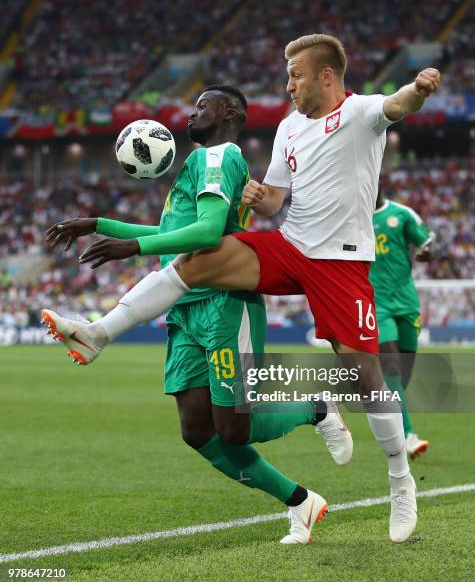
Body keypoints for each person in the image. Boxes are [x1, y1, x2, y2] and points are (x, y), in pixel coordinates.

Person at [43, 34, 442, 543]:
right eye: (286, 74)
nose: (288, 84)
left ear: (326, 75)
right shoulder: (289, 128)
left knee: (364, 377)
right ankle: (100, 332)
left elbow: (398, 105)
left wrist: (419, 88)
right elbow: (275, 200)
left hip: (341, 264)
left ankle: (400, 480)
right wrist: (262, 196)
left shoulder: (362, 111)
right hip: (289, 246)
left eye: (295, 74)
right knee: (201, 259)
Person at [44, 84, 352, 545]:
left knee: (235, 428)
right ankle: (301, 502)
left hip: (225, 304)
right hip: (184, 309)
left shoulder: (220, 156)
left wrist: (132, 247)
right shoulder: (198, 163)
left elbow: (207, 235)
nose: (190, 114)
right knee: (198, 431)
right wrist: (101, 223)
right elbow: (176, 232)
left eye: (202, 106)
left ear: (229, 113)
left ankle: (317, 408)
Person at [371, 189, 435, 459]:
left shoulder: (401, 214)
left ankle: (385, 406)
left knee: (401, 375)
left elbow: (428, 243)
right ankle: (407, 434)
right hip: (377, 304)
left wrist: (425, 253)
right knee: (392, 366)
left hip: (407, 303)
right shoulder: (352, 218)